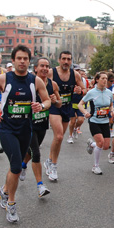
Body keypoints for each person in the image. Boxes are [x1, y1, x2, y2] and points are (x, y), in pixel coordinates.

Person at [0, 45, 51, 223]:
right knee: (16, 165)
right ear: (14, 60)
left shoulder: (35, 81)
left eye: (25, 58)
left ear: (29, 61)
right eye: (19, 58)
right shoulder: (4, 78)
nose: (22, 61)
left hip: (26, 129)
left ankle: (4, 189)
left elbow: (47, 100)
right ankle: (11, 204)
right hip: (7, 128)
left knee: (15, 166)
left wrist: (41, 106)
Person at [19, 57, 61, 198]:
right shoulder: (28, 81)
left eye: (47, 66)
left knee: (30, 153)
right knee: (36, 153)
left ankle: (23, 165)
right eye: (41, 66)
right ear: (35, 68)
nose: (44, 68)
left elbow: (59, 103)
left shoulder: (52, 84)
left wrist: (55, 101)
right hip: (28, 124)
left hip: (42, 123)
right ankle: (40, 186)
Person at [44, 51, 82, 181]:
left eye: (69, 59)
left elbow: (84, 89)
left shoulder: (75, 74)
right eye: (64, 59)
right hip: (54, 107)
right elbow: (40, 85)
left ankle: (49, 160)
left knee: (58, 138)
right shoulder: (51, 73)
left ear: (71, 61)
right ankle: (54, 166)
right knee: (59, 136)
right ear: (59, 60)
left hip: (67, 107)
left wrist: (80, 90)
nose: (66, 61)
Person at [79, 72, 114, 174]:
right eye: (103, 78)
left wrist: (112, 110)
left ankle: (92, 145)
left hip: (105, 121)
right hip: (94, 121)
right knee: (100, 142)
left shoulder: (109, 93)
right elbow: (80, 104)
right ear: (97, 80)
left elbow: (111, 105)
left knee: (106, 146)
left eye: (106, 78)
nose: (105, 80)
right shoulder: (91, 92)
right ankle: (96, 166)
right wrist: (85, 112)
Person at [68, 66, 87, 144]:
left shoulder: (83, 81)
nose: (78, 72)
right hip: (71, 102)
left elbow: (86, 90)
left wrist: (82, 93)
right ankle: (70, 136)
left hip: (80, 102)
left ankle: (75, 129)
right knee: (72, 120)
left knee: (81, 120)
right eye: (76, 70)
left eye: (79, 70)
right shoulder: (69, 79)